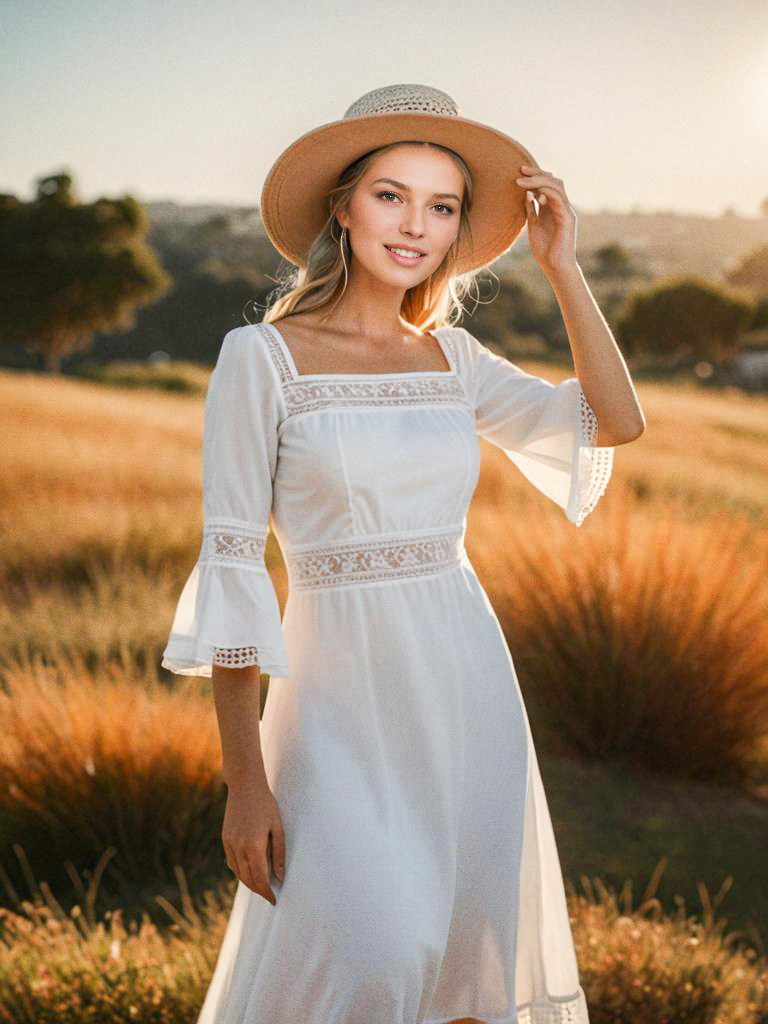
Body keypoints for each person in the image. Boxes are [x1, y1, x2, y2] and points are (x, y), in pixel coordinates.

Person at [162, 83, 645, 1024]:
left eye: (442, 205)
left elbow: (615, 421)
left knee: (468, 968)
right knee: (368, 963)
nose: (415, 224)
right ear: (340, 207)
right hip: (332, 710)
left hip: (465, 692)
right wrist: (245, 782)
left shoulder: (453, 359)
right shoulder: (260, 359)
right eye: (391, 195)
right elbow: (233, 569)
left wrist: (563, 266)